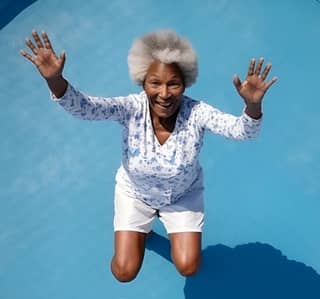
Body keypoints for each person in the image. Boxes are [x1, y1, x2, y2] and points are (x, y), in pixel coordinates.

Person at [21, 29, 277, 282]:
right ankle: (140, 231)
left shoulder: (198, 112)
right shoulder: (131, 108)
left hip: (182, 196)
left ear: (184, 84)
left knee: (188, 267)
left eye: (173, 84)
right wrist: (55, 80)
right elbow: (86, 108)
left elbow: (241, 131)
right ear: (143, 82)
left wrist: (252, 105)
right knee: (123, 272)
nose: (164, 94)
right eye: (155, 83)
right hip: (135, 194)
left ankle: (149, 229)